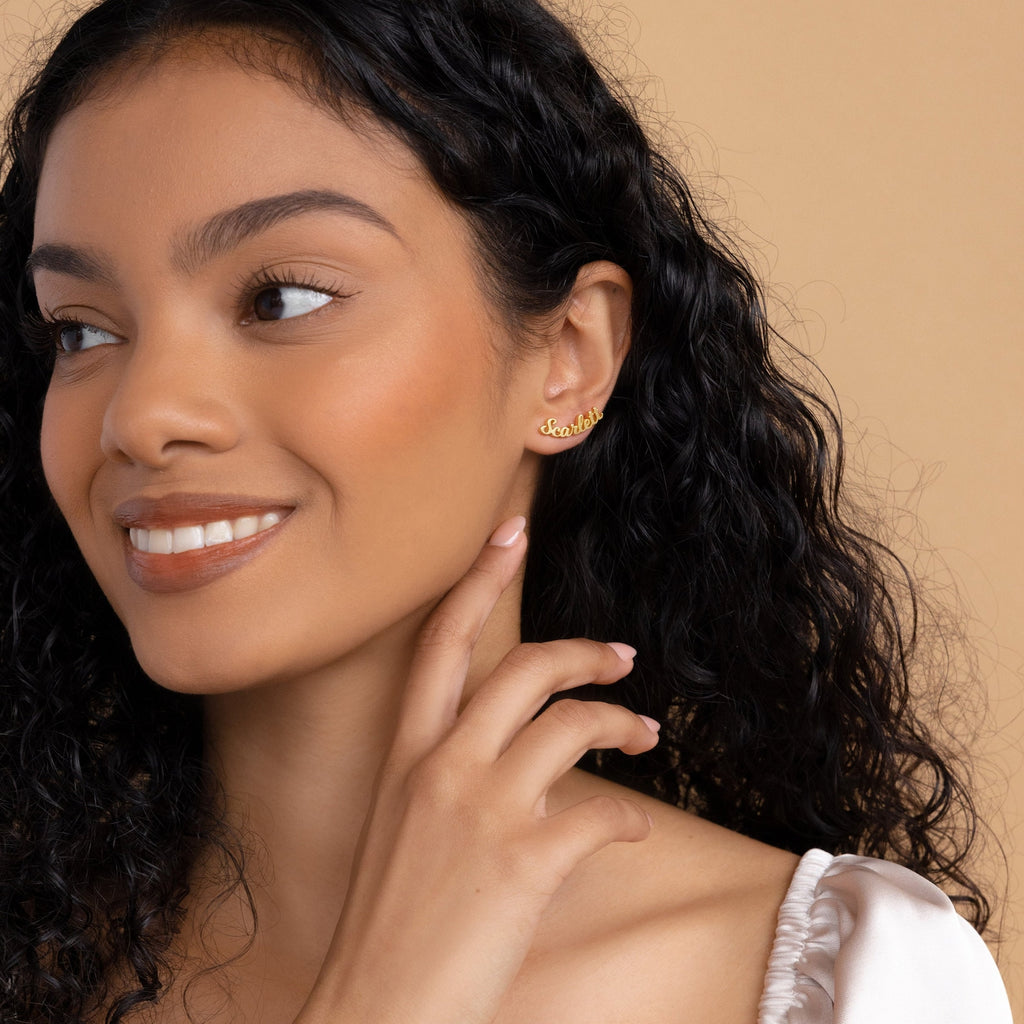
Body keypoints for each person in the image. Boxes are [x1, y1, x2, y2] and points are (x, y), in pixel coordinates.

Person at [0, 0, 1013, 1021]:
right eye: (81, 332)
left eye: (283, 299)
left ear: (569, 356)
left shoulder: (836, 980)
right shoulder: (30, 956)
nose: (142, 415)